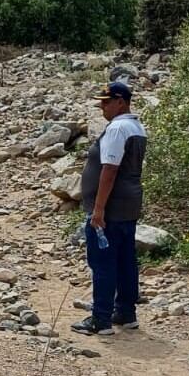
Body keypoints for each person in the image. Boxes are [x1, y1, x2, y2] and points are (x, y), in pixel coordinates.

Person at [71, 82, 148, 336]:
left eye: (106, 102)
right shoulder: (137, 127)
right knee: (126, 260)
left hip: (112, 206)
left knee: (103, 261)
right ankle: (126, 312)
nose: (102, 107)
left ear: (121, 102)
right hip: (129, 202)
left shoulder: (117, 128)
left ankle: (100, 319)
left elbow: (110, 169)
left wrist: (99, 209)